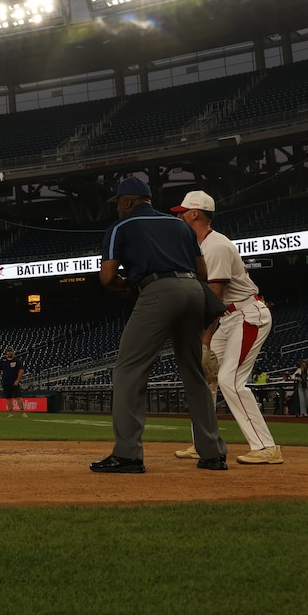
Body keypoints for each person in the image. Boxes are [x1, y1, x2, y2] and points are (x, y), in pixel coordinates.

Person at [91, 177, 226, 474]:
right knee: (193, 371)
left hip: (157, 291)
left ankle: (128, 455)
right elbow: (202, 271)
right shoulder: (179, 225)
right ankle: (213, 453)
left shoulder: (121, 226)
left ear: (128, 201)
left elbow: (107, 277)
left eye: (118, 203)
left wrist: (129, 285)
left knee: (128, 369)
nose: (118, 209)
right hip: (193, 291)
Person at [171, 191, 281, 464]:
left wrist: (205, 339)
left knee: (230, 379)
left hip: (247, 314)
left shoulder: (216, 245)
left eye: (183, 211)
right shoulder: (197, 245)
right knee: (204, 377)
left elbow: (216, 295)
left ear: (195, 214)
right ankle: (204, 443)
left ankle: (267, 447)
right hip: (229, 318)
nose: (178, 215)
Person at [0, 347, 28, 418]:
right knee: (8, 398)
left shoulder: (17, 361)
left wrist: (18, 380)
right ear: (6, 352)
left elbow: (21, 370)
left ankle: (22, 412)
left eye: (10, 351)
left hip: (14, 382)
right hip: (6, 382)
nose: (9, 353)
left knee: (18, 397)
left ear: (13, 352)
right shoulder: (3, 361)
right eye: (8, 351)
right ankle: (11, 412)